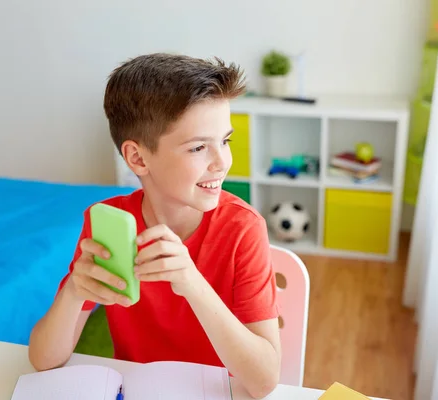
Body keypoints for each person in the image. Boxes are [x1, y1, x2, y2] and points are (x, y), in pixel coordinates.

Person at [28, 53, 281, 399]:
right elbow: (43, 361)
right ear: (138, 158)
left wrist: (190, 281)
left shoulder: (243, 229)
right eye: (198, 148)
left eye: (225, 140)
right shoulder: (108, 223)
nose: (223, 162)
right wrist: (74, 292)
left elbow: (264, 381)